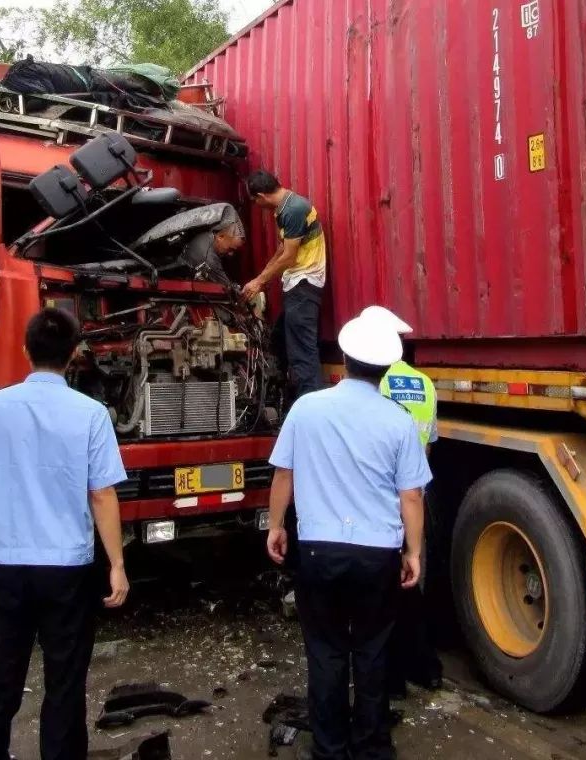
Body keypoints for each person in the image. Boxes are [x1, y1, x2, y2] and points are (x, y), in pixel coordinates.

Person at [0, 307, 131, 760]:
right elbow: (102, 495)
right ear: (74, 355)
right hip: (68, 572)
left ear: (25, 351)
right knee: (65, 685)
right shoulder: (91, 414)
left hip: (8, 569)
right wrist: (116, 565)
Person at [266, 314, 432, 760]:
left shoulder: (307, 408)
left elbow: (285, 472)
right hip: (378, 554)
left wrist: (276, 525)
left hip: (318, 551)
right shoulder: (399, 421)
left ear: (343, 358)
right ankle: (373, 747)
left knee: (326, 652)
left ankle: (330, 748)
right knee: (373, 652)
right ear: (385, 370)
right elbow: (411, 496)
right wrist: (413, 552)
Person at [359, 306, 444, 697]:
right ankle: (426, 667)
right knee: (410, 586)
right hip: (413, 495)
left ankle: (393, 680)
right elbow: (429, 442)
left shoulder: (373, 383)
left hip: (378, 499)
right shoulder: (425, 383)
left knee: (382, 601)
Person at [243, 170, 326, 398]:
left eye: (255, 201)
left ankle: (312, 407)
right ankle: (282, 399)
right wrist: (260, 280)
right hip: (297, 285)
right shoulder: (285, 207)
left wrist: (260, 281)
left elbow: (289, 257)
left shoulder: (293, 210)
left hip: (303, 283)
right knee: (279, 340)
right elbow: (282, 250)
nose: (256, 205)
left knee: (302, 352)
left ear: (261, 196)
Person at [181, 203, 247, 282]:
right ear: (220, 237)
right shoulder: (209, 260)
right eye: (230, 249)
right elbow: (226, 287)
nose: (231, 254)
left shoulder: (207, 236)